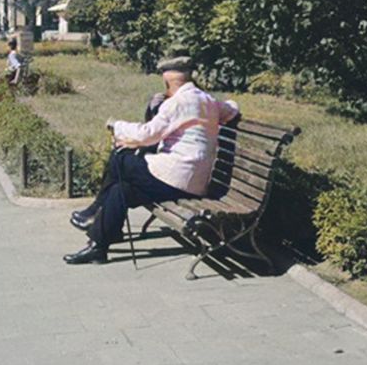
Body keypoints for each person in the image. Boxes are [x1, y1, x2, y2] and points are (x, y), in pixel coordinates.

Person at [64, 56, 240, 265]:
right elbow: (231, 109)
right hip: (191, 182)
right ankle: (99, 246)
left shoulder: (178, 102)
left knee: (120, 158)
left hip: (177, 179)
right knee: (121, 189)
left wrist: (116, 126)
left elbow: (148, 134)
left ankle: (94, 211)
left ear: (169, 83)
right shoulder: (207, 100)